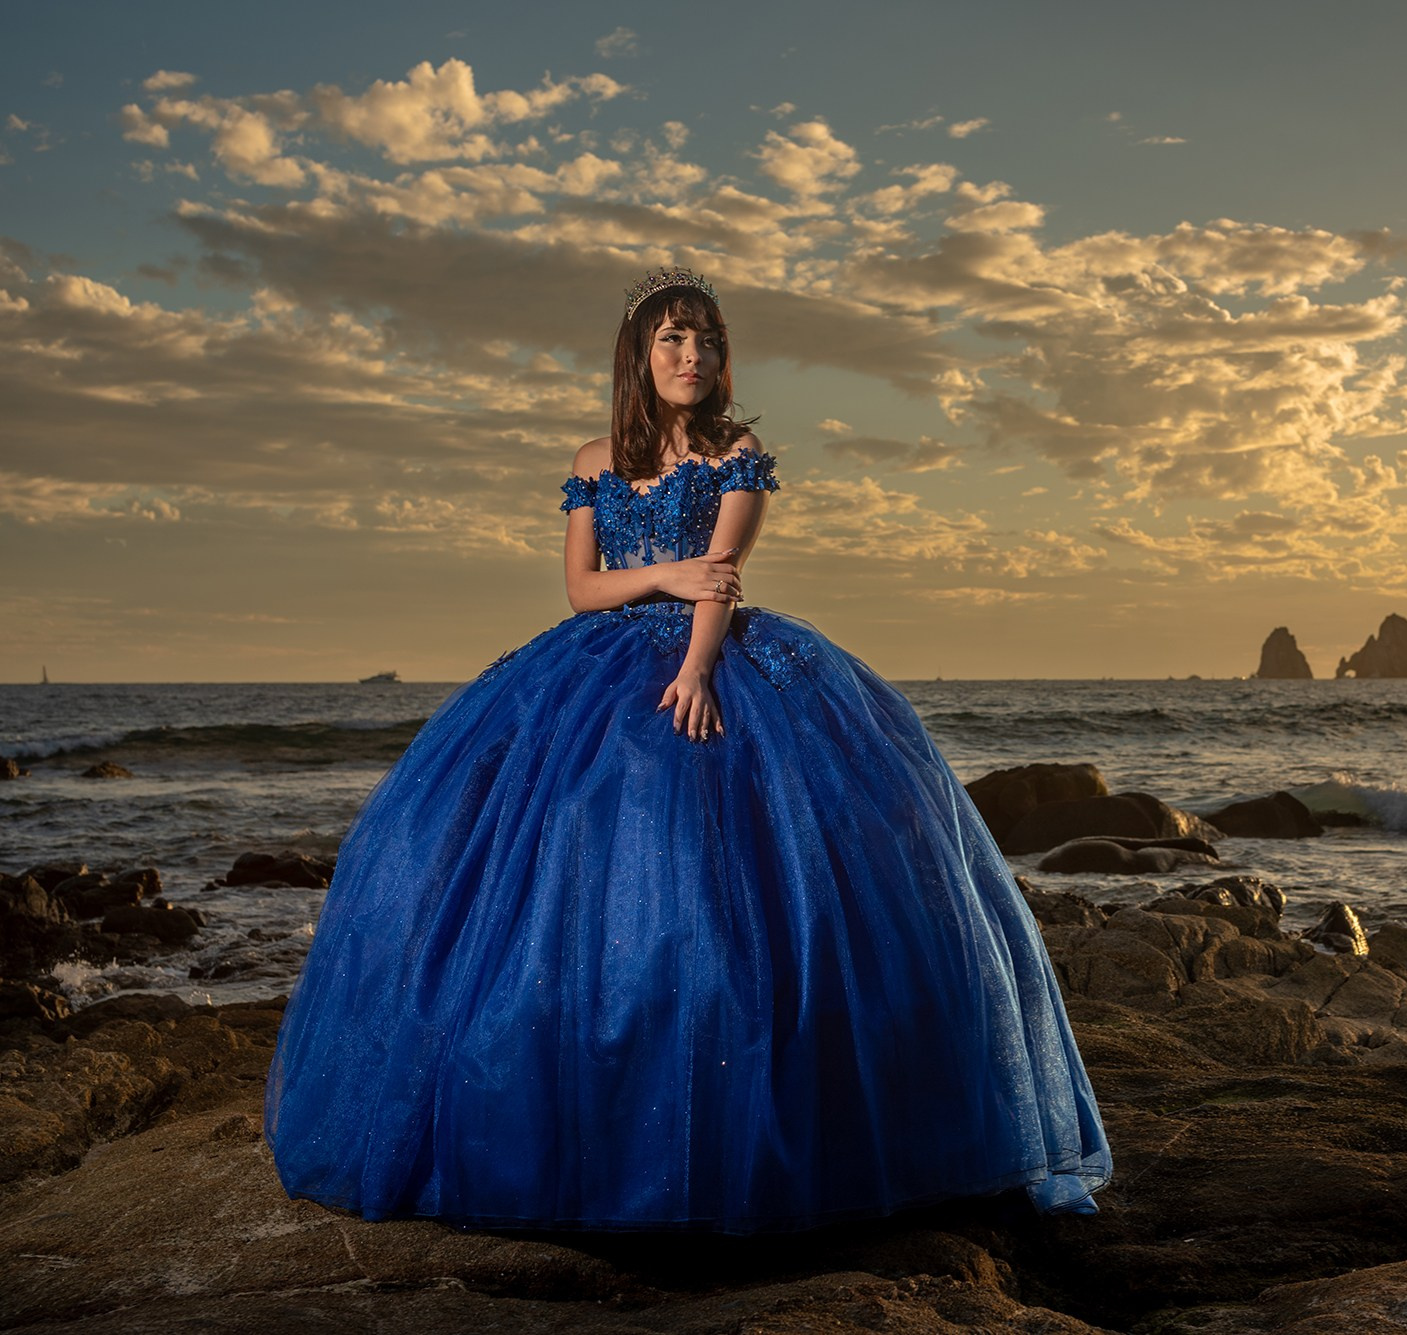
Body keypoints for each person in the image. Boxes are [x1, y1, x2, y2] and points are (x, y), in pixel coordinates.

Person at [263, 266, 1113, 1233]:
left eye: (705, 340)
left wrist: (700, 670)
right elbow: (583, 589)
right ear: (639, 354)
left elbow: (725, 577)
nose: (692, 356)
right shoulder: (594, 458)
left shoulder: (738, 453)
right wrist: (659, 571)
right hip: (595, 657)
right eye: (672, 339)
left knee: (730, 866)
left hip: (714, 653)